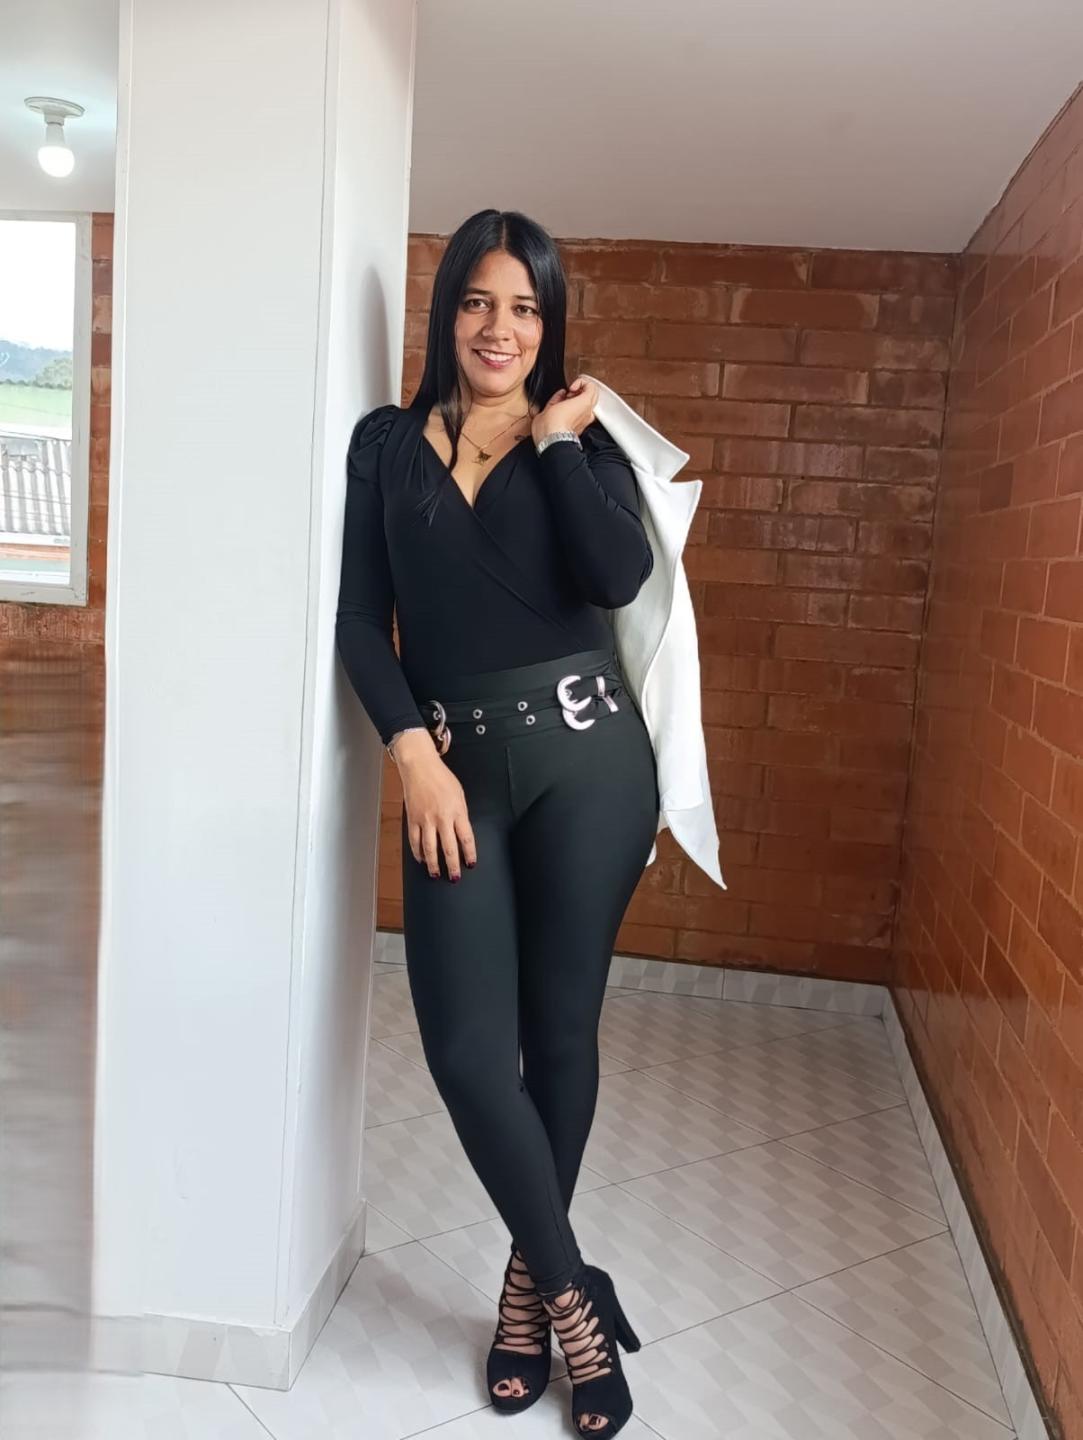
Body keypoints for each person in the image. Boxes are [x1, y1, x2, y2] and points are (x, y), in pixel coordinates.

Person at [335, 208, 660, 1437]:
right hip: (453, 772)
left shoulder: (583, 442)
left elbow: (616, 576)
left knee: (558, 1033)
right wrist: (409, 751)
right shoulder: (386, 447)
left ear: (550, 324)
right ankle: (579, 1290)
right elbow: (362, 621)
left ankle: (532, 1301)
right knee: (470, 1053)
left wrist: (561, 443)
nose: (500, 327)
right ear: (446, 312)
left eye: (526, 307)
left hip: (589, 762)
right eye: (478, 300)